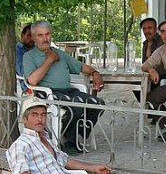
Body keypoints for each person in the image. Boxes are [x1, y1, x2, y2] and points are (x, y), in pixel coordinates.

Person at [23, 20, 105, 155]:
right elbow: (33, 80)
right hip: (47, 93)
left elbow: (81, 67)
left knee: (98, 104)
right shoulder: (29, 56)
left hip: (68, 91)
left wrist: (95, 73)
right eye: (40, 35)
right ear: (33, 37)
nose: (45, 39)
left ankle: (73, 133)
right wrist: (49, 60)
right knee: (77, 106)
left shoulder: (60, 53)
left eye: (47, 34)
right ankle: (68, 140)